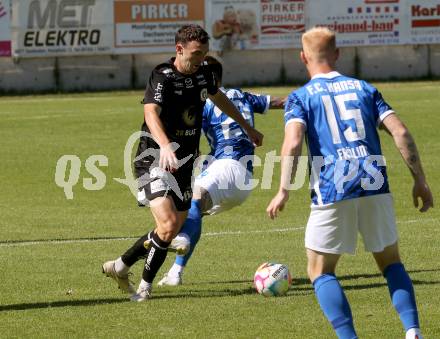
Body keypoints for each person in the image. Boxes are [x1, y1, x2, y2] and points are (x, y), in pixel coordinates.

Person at [266, 27, 433, 339]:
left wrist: (283, 190)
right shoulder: (364, 88)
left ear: (303, 57)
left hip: (333, 188)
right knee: (390, 262)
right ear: (338, 53)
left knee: (320, 271)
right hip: (375, 183)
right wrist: (420, 180)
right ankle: (413, 331)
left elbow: (292, 144)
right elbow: (400, 132)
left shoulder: (300, 97)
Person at [102, 24, 263, 302]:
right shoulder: (162, 76)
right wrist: (164, 145)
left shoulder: (205, 74)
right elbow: (150, 112)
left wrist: (246, 126)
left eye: (204, 53)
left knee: (173, 227)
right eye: (196, 53)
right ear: (179, 49)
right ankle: (144, 288)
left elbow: (219, 97)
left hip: (185, 162)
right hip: (153, 157)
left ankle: (120, 266)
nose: (201, 59)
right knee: (167, 225)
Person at [155, 56, 286, 286]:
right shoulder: (242, 95)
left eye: (197, 72)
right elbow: (277, 102)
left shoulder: (204, 101)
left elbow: (189, 134)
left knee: (192, 204)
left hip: (228, 166)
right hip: (241, 176)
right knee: (190, 211)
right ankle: (176, 272)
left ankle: (178, 240)